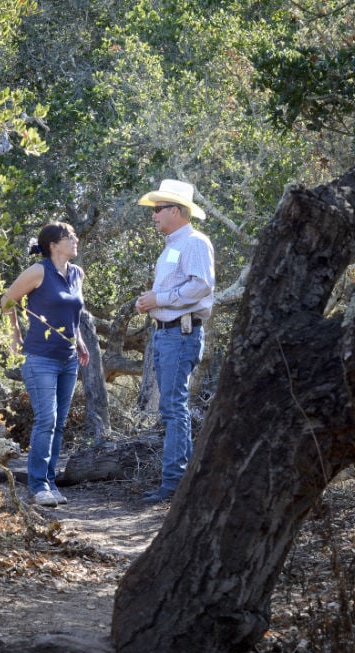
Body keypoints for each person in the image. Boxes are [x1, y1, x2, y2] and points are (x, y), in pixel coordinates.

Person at [134, 179, 215, 503]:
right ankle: (177, 484)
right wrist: (151, 302)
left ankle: (176, 486)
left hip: (181, 335)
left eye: (158, 210)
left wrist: (160, 298)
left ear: (176, 211)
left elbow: (201, 287)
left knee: (173, 407)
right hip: (168, 334)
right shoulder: (174, 245)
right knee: (171, 407)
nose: (153, 216)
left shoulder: (194, 242)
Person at [1, 222, 90, 506]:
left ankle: (50, 483)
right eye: (70, 237)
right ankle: (38, 485)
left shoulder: (77, 273)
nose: (76, 240)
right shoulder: (39, 271)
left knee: (59, 424)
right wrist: (15, 337)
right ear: (54, 245)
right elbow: (7, 300)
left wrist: (80, 340)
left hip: (68, 358)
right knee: (46, 420)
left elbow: (73, 313)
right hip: (40, 358)